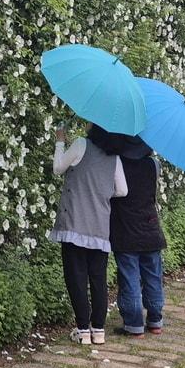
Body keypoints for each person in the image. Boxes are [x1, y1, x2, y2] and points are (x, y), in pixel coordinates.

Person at [49, 124, 128, 346]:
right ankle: (98, 330)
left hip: (74, 223)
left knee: (76, 277)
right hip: (99, 226)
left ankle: (83, 329)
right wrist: (100, 192)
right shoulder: (115, 157)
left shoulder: (81, 144)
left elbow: (58, 168)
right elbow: (122, 190)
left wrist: (60, 140)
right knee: (98, 278)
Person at [109, 146, 166, 338]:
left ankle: (134, 324)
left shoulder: (117, 162)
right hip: (150, 226)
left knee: (130, 277)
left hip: (125, 228)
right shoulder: (154, 165)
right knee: (153, 275)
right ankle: (155, 320)